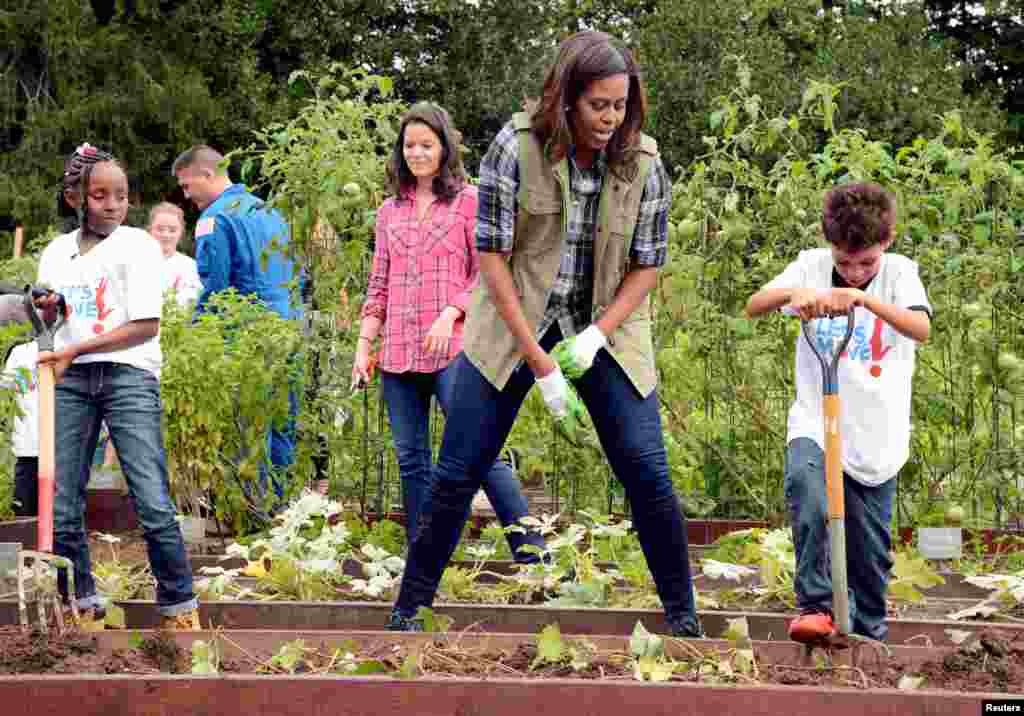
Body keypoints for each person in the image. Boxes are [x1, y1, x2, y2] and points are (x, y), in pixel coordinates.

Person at [387, 31, 703, 637]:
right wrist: (539, 361)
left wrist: (595, 337)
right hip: (513, 321)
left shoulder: (644, 162)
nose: (611, 118)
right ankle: (408, 611)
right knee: (458, 468)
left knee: (646, 468)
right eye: (598, 105)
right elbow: (492, 258)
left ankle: (684, 620)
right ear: (566, 98)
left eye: (620, 104)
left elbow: (648, 264)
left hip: (607, 323)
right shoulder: (516, 146)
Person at [353, 102, 545, 558]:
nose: (417, 153)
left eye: (427, 145)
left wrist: (450, 313)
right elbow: (378, 283)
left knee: (480, 450)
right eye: (410, 146)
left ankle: (534, 552)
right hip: (398, 353)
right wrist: (364, 345)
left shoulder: (469, 202)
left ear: (444, 148)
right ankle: (427, 556)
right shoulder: (388, 212)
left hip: (454, 350)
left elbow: (486, 274)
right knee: (412, 461)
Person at [744, 181, 932, 643]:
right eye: (843, 262)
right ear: (828, 245)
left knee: (870, 554)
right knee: (807, 490)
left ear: (885, 243)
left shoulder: (900, 273)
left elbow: (921, 327)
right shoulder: (811, 266)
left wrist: (863, 300)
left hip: (876, 436)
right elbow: (754, 305)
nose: (851, 272)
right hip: (815, 418)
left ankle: (869, 636)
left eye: (865, 262)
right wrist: (796, 295)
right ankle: (815, 606)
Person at [33, 142, 199, 629]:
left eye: (121, 196)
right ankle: (80, 602)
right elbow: (58, 318)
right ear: (74, 198)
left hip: (129, 374)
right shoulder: (55, 253)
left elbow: (146, 325)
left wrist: (74, 349)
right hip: (73, 380)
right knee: (62, 501)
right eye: (101, 195)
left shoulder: (137, 246)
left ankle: (179, 608)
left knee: (150, 497)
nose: (113, 205)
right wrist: (48, 308)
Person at [172, 145, 301, 503]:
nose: (186, 196)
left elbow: (215, 288)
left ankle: (252, 510)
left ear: (207, 175)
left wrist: (194, 338)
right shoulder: (271, 210)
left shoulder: (214, 219)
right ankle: (285, 508)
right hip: (290, 326)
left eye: (186, 186)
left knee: (248, 426)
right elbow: (297, 273)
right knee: (283, 422)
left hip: (248, 332)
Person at [3, 339, 40, 517]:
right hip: (29, 441)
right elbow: (6, 389)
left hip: (51, 441)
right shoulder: (20, 352)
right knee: (25, 507)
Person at [148, 201, 202, 307]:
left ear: (181, 232)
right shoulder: (136, 263)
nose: (166, 235)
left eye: (172, 230)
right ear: (150, 230)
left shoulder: (191, 268)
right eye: (160, 229)